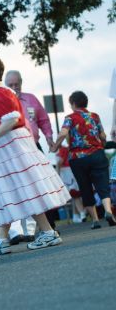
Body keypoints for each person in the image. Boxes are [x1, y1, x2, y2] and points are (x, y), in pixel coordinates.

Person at [0, 54, 70, 252]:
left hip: (9, 147)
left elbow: (11, 118)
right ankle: (4, 239)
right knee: (11, 190)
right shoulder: (1, 92)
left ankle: (46, 232)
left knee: (18, 188)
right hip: (8, 146)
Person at [51, 91, 116, 229]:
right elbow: (103, 136)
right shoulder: (95, 116)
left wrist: (55, 146)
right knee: (102, 184)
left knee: (85, 187)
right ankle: (108, 211)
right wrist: (101, 145)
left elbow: (63, 133)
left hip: (78, 159)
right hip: (97, 154)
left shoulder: (70, 118)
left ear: (73, 103)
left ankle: (95, 220)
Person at [5, 69, 56, 241]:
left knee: (44, 185)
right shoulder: (2, 101)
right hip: (14, 151)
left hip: (34, 146)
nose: (14, 87)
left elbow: (43, 120)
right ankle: (18, 231)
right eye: (10, 85)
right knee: (20, 189)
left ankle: (50, 227)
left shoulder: (31, 99)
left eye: (16, 84)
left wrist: (49, 136)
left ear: (21, 82)